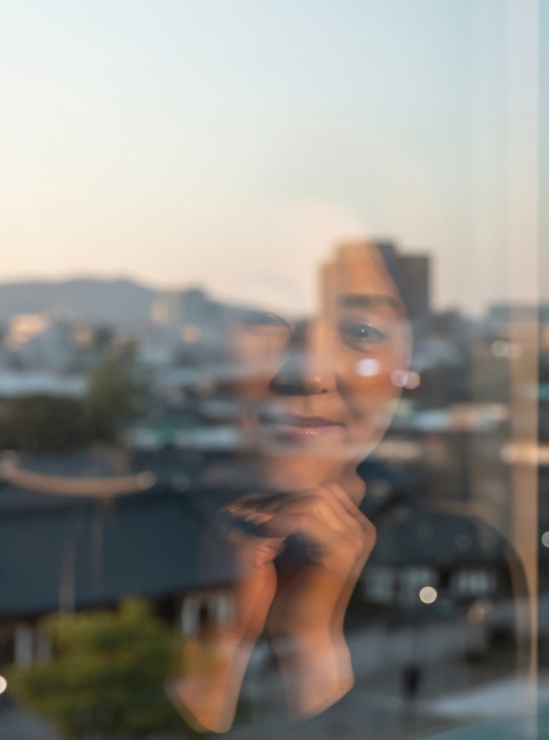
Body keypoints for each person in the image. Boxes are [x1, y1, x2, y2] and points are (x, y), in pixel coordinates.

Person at [169, 240, 419, 731]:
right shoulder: (109, 528)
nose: (309, 373)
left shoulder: (460, 530)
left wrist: (310, 631)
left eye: (364, 331)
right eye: (262, 320)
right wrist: (221, 639)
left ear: (407, 368)